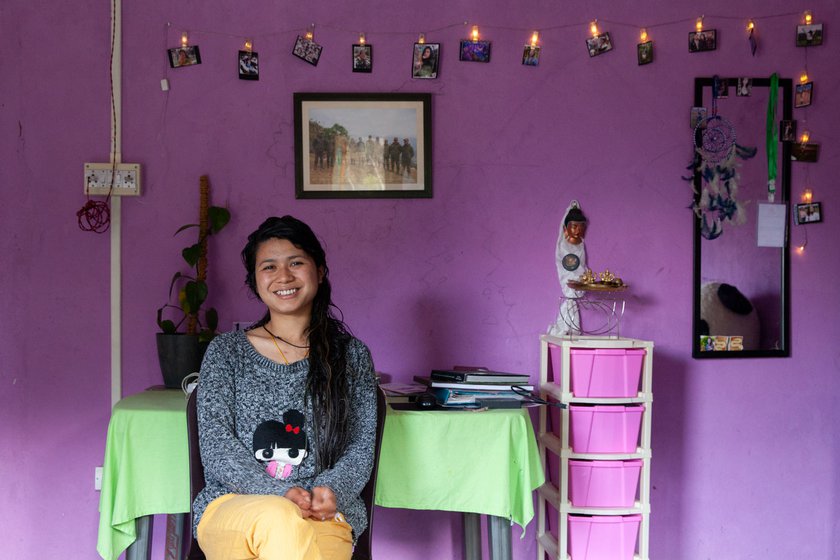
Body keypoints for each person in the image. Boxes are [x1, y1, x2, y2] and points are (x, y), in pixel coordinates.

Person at [193, 216, 378, 560]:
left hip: (323, 514)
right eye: (269, 267)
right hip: (235, 508)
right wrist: (279, 492)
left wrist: (331, 489)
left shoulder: (351, 356)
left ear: (319, 272)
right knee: (280, 518)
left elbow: (360, 445)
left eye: (296, 262)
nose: (284, 276)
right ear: (255, 281)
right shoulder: (226, 353)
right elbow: (217, 446)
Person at [548, 201, 588, 336]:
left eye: (581, 227)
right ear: (566, 228)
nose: (577, 231)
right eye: (574, 226)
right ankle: (565, 328)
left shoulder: (580, 248)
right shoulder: (563, 250)